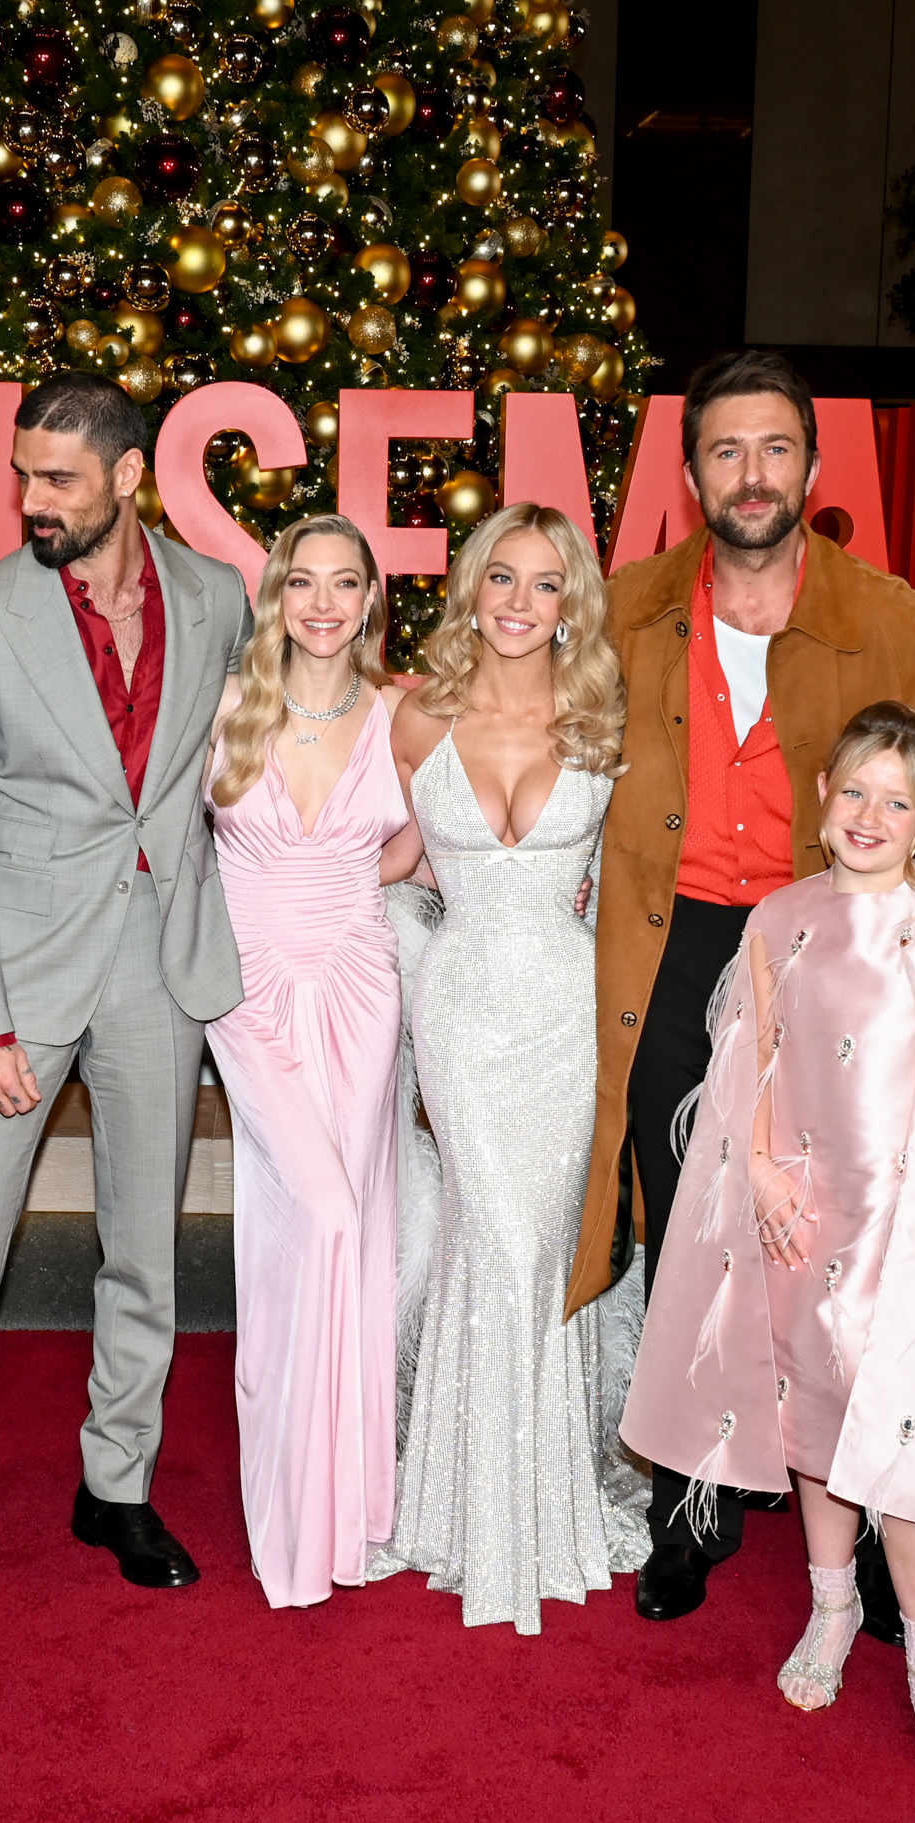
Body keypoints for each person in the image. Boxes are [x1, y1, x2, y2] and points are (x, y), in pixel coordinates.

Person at [573, 348, 915, 1629]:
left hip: (834, 957)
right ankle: (693, 1506)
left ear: (812, 467)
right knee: (691, 1230)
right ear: (690, 473)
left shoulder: (883, 614)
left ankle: (886, 1522)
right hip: (670, 953)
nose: (753, 474)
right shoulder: (624, 609)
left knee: (858, 1242)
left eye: (776, 448)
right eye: (727, 450)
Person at [626, 703, 915, 1796]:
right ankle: (832, 1609)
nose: (871, 814)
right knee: (814, 1425)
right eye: (855, 792)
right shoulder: (779, 917)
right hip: (802, 1219)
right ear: (824, 796)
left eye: (897, 800)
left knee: (911, 1453)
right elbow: (752, 1058)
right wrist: (768, 1172)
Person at [0, 372, 247, 1629]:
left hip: (158, 964)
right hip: (13, 979)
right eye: (22, 474)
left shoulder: (218, 596)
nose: (31, 500)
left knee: (144, 1250)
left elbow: (276, 746)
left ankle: (115, 1484)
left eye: (59, 479)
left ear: (130, 479)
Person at [376, 502, 642, 1633]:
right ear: (472, 592)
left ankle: (545, 1498)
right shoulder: (416, 716)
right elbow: (390, 858)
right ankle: (469, 1505)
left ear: (570, 601)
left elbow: (631, 877)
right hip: (465, 1006)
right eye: (502, 580)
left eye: (545, 584)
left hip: (567, 1016)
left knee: (546, 1245)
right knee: (492, 1239)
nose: (521, 604)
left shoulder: (604, 719)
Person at [203, 514, 413, 1609]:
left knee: (352, 1234)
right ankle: (289, 1510)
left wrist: (343, 906)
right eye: (302, 582)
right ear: (275, 594)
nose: (323, 603)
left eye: (345, 584)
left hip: (362, 986)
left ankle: (352, 1511)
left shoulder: (401, 715)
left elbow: (417, 839)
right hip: (245, 993)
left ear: (371, 599)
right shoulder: (228, 704)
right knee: (316, 1219)